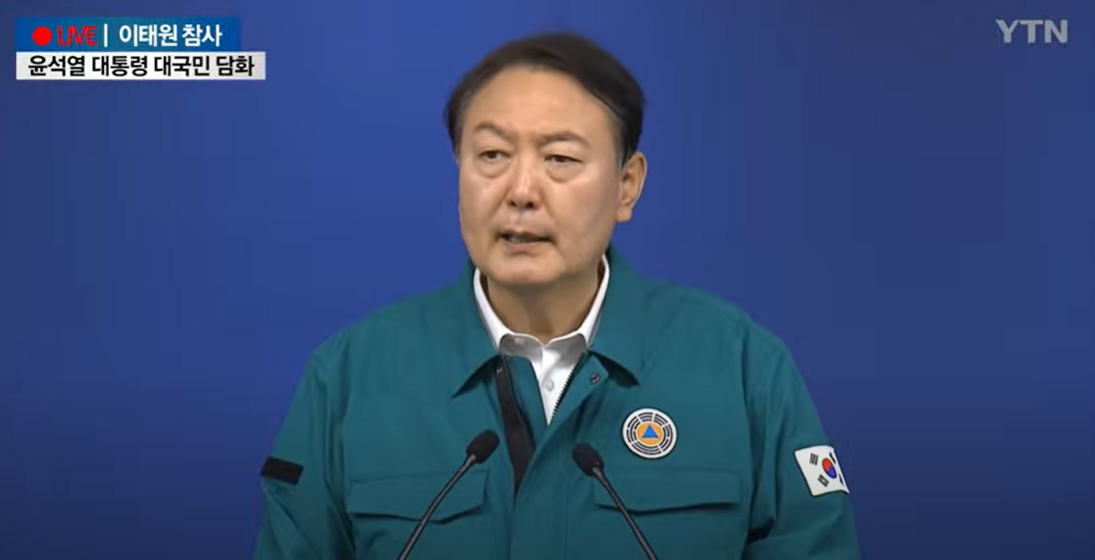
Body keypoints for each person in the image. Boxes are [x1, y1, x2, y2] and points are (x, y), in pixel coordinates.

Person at [252, 31, 861, 560]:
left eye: (560, 158)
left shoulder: (743, 368)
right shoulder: (350, 376)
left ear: (627, 186)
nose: (520, 190)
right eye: (492, 155)